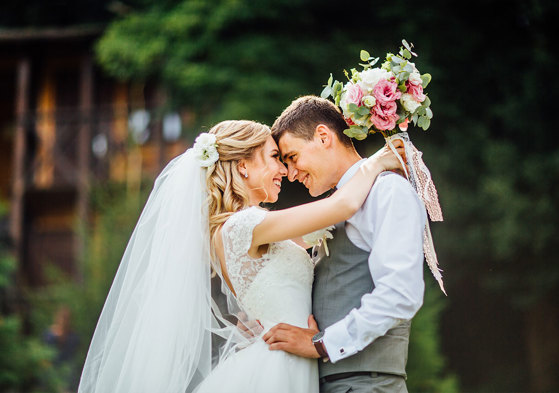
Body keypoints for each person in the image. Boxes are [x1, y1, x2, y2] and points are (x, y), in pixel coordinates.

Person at [78, 119, 405, 393]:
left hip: (292, 357)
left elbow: (327, 227)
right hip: (280, 365)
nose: (285, 170)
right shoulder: (242, 225)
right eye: (275, 157)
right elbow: (341, 206)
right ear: (244, 166)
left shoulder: (248, 227)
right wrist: (377, 162)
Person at [263, 96, 426, 393]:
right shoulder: (334, 207)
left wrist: (322, 343)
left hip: (368, 385)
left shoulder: (386, 191)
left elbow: (401, 293)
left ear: (323, 137)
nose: (290, 173)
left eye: (293, 157)